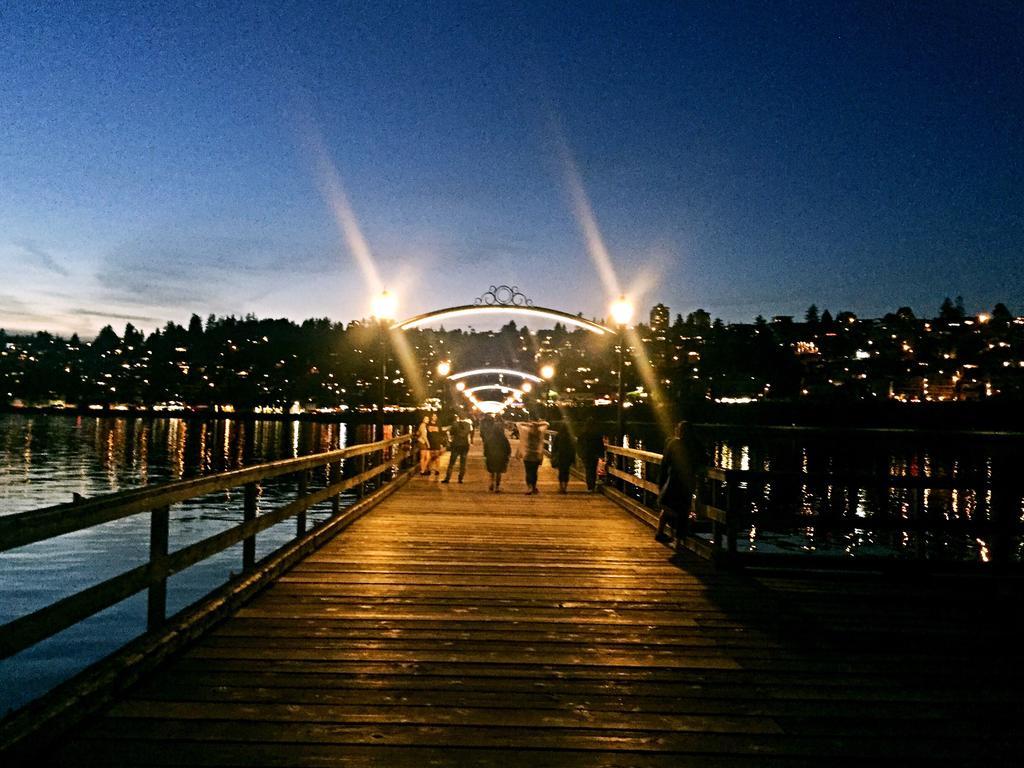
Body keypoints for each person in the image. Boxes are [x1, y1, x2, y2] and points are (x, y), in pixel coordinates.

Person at [656, 420, 707, 549]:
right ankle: (679, 540)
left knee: (668, 506)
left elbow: (665, 463)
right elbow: (704, 459)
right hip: (687, 481)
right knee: (683, 509)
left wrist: (661, 481)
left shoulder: (673, 443)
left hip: (674, 479)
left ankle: (661, 532)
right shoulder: (695, 444)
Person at [515, 420, 548, 494]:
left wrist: (528, 424)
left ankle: (529, 487)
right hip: (536, 455)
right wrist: (538, 424)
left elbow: (518, 423)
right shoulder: (540, 432)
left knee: (528, 472)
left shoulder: (525, 432)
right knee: (534, 472)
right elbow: (546, 423)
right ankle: (534, 487)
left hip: (527, 455)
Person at [482, 416, 511, 492]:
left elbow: (486, 446)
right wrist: (508, 455)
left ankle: (491, 483)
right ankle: (497, 486)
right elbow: (507, 448)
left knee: (492, 471)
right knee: (498, 472)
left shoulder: (490, 437)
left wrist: (486, 455)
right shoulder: (503, 438)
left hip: (491, 456)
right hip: (501, 457)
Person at [441, 416, 472, 484]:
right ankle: (460, 479)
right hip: (464, 445)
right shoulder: (468, 425)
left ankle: (447, 478)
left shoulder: (455, 424)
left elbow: (451, 432)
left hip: (456, 445)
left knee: (452, 463)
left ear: (458, 417)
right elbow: (468, 433)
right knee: (463, 463)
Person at [577, 417, 605, 492]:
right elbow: (600, 445)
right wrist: (601, 455)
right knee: (593, 470)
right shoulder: (597, 434)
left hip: (586, 455)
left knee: (588, 470)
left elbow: (579, 444)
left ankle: (590, 487)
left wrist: (580, 454)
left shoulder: (583, 434)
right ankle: (592, 485)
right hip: (594, 455)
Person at [550, 426, 577, 494]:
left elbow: (554, 447)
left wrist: (553, 456)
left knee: (561, 472)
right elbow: (573, 448)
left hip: (560, 456)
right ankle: (565, 487)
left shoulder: (558, 435)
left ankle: (561, 486)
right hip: (568, 457)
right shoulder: (571, 437)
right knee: (566, 472)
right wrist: (573, 459)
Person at [426, 413, 444, 477]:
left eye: (436, 416)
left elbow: (441, 434)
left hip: (437, 443)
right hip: (429, 443)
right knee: (430, 457)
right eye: (433, 416)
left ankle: (437, 470)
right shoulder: (428, 424)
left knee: (437, 457)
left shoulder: (439, 424)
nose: (435, 417)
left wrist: (441, 443)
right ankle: (429, 470)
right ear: (431, 417)